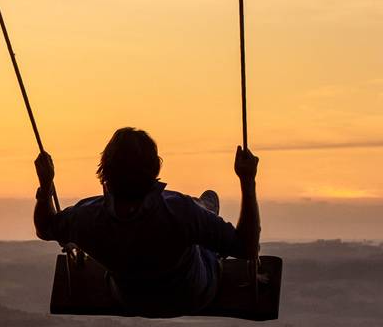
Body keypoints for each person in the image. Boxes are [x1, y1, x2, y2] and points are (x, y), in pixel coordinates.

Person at [33, 127, 260, 315]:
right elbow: (246, 247)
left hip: (131, 299)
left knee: (190, 222)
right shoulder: (181, 211)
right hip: (191, 295)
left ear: (106, 172)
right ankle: (207, 214)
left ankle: (205, 212)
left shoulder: (88, 216)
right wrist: (247, 181)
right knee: (200, 235)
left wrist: (45, 187)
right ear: (154, 169)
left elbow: (45, 228)